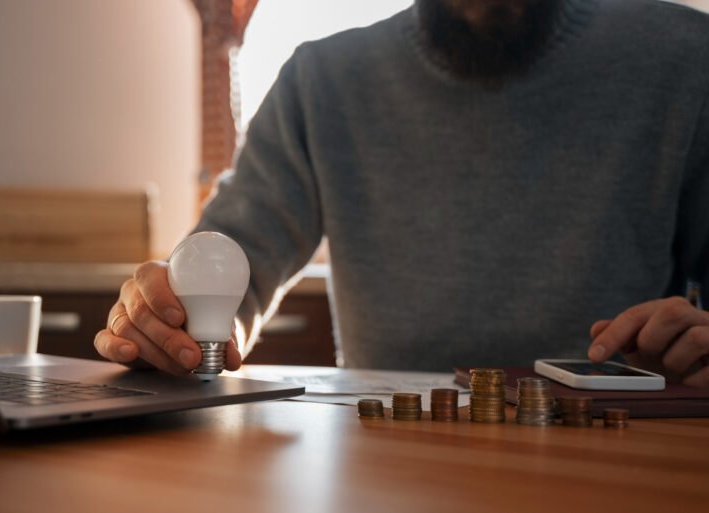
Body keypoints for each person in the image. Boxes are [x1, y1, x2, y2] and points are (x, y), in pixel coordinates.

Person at [94, 0, 709, 386]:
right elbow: (235, 256)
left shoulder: (685, 59)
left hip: (629, 450)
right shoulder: (322, 80)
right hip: (385, 454)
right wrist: (166, 321)